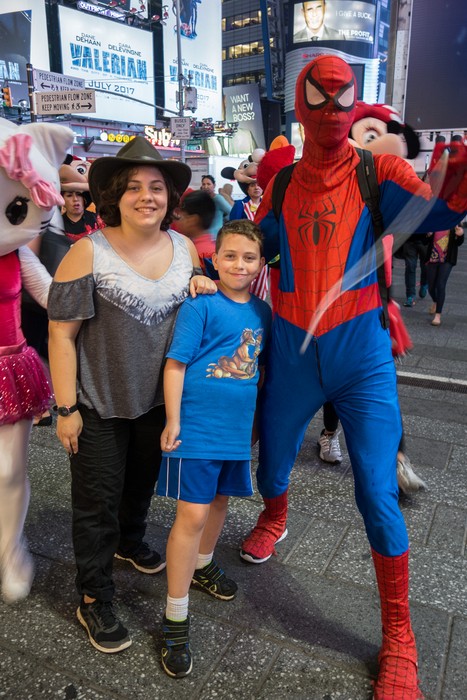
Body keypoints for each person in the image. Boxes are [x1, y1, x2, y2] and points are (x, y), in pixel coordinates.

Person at [240, 56, 467, 699]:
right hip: (291, 351)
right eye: (323, 98)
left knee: (376, 490)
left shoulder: (380, 171)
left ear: (356, 102)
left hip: (362, 356)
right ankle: (276, 516)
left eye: (345, 99)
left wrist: (455, 189)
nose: (336, 110)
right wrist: (211, 269)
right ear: (302, 104)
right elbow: (260, 247)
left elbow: (435, 217)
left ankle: (401, 636)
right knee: (271, 467)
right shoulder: (282, 182)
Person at [47, 137, 217, 655]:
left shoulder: (185, 249)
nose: (148, 197)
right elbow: (61, 334)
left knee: (141, 482)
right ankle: (94, 597)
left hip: (158, 403)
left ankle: (131, 539)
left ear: (171, 198)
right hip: (97, 403)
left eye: (158, 188)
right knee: (96, 502)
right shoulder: (85, 253)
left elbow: (195, 312)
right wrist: (65, 408)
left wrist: (205, 288)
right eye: (135, 188)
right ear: (115, 196)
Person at [156, 219, 272, 678]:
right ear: (215, 259)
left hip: (235, 434)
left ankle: (203, 565)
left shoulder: (262, 314)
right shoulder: (199, 305)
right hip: (197, 430)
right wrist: (173, 419)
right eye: (230, 256)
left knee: (219, 502)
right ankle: (175, 617)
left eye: (249, 257)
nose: (239, 264)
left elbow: (260, 375)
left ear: (261, 264)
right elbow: (176, 364)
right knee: (192, 515)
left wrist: (255, 429)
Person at [0, 119, 73, 604]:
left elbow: (55, 297)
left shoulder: (15, 259)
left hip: (8, 369)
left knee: (8, 470)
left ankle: (10, 550)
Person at [425, 224, 464, 325]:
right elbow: (424, 241)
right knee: (431, 287)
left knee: (440, 285)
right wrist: (428, 235)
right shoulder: (434, 221)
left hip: (447, 259)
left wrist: (460, 235)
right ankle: (436, 301)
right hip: (432, 258)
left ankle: (438, 315)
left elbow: (458, 243)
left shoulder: (453, 222)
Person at [176, 190, 216, 273]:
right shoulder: (213, 247)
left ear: (192, 220)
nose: (177, 222)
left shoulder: (195, 254)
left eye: (181, 217)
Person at [200, 174, 232, 238]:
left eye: (208, 184)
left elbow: (231, 212)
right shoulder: (202, 199)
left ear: (214, 185)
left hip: (215, 237)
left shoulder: (218, 199)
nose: (206, 187)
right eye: (204, 184)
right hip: (205, 236)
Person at [402, 234, 429, 306]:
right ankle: (410, 296)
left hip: (426, 239)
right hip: (409, 239)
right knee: (410, 267)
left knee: (426, 266)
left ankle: (424, 283)